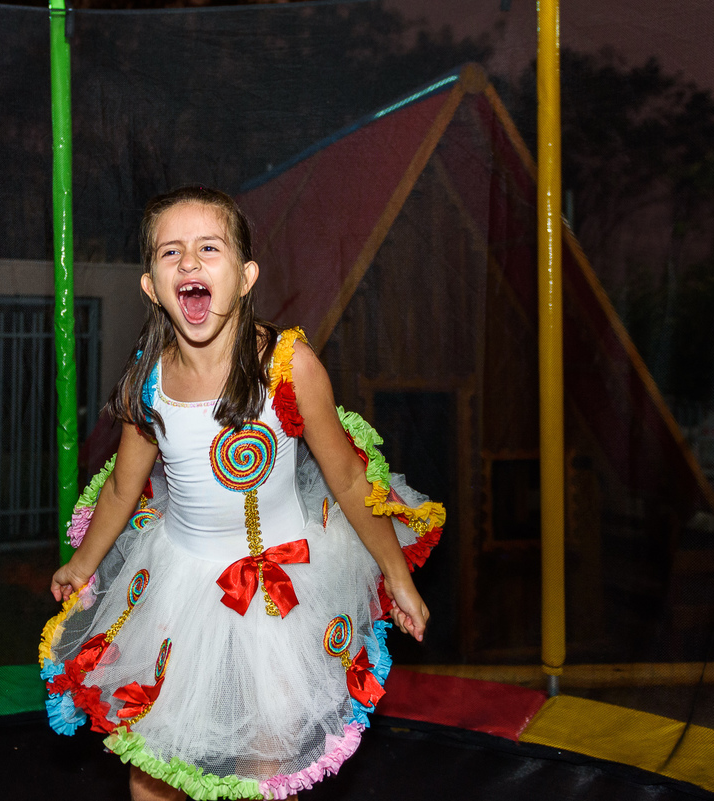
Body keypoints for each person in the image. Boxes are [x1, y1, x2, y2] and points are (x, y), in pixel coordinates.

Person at [40, 185, 444, 801]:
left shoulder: (288, 366)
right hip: (179, 584)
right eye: (170, 252)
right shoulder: (148, 381)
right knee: (154, 762)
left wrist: (397, 575)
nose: (189, 261)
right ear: (151, 286)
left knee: (270, 758)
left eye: (209, 248)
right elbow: (124, 486)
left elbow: (348, 478)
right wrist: (83, 562)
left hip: (281, 589)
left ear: (246, 276)